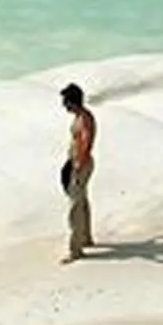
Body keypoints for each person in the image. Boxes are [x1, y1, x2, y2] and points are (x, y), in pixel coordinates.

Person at [58, 82, 97, 262]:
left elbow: (86, 142)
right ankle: (86, 238)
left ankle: (76, 249)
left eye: (66, 101)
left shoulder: (85, 119)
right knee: (82, 201)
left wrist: (78, 164)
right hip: (77, 162)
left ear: (72, 101)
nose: (64, 105)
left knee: (75, 206)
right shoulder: (81, 116)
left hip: (80, 164)